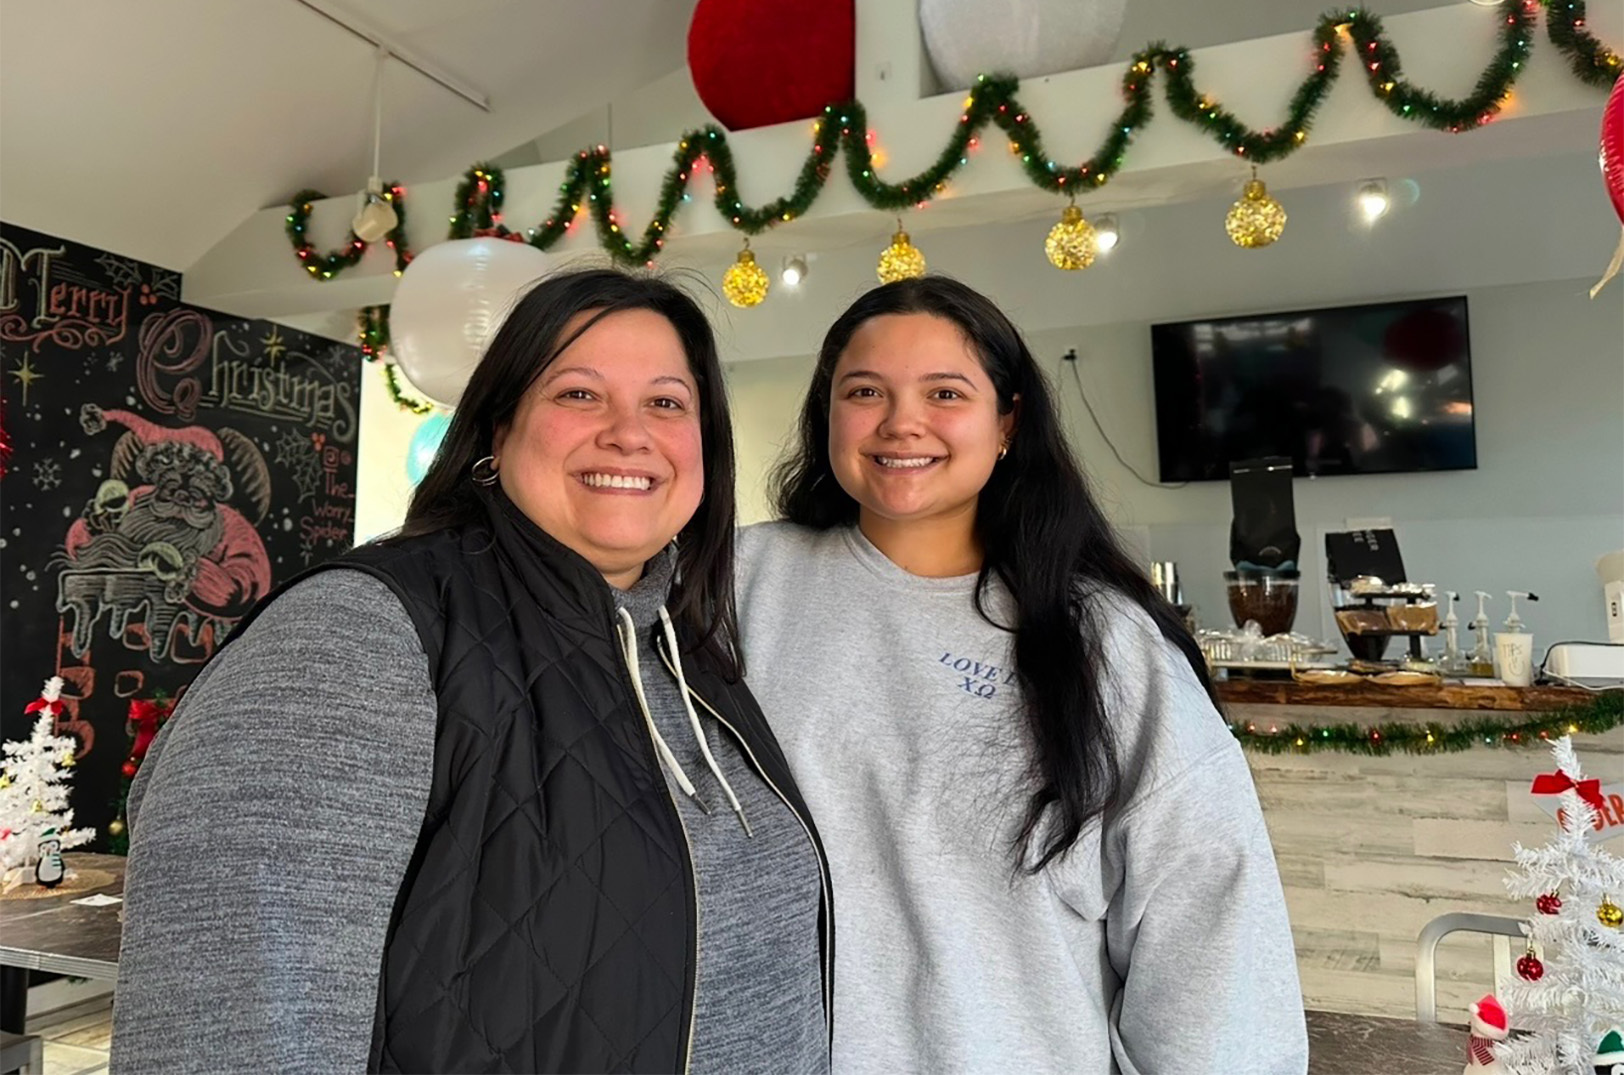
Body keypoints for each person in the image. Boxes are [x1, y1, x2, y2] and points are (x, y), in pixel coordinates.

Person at [112, 269, 832, 1074]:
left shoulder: (690, 651)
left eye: (666, 402)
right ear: (498, 426)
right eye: (579, 394)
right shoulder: (363, 632)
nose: (631, 433)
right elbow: (229, 1030)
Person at [735, 276, 1306, 1074]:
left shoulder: (1101, 640)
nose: (902, 422)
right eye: (865, 390)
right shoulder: (739, 586)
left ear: (1006, 422)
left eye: (945, 391)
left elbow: (1212, 929)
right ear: (826, 413)